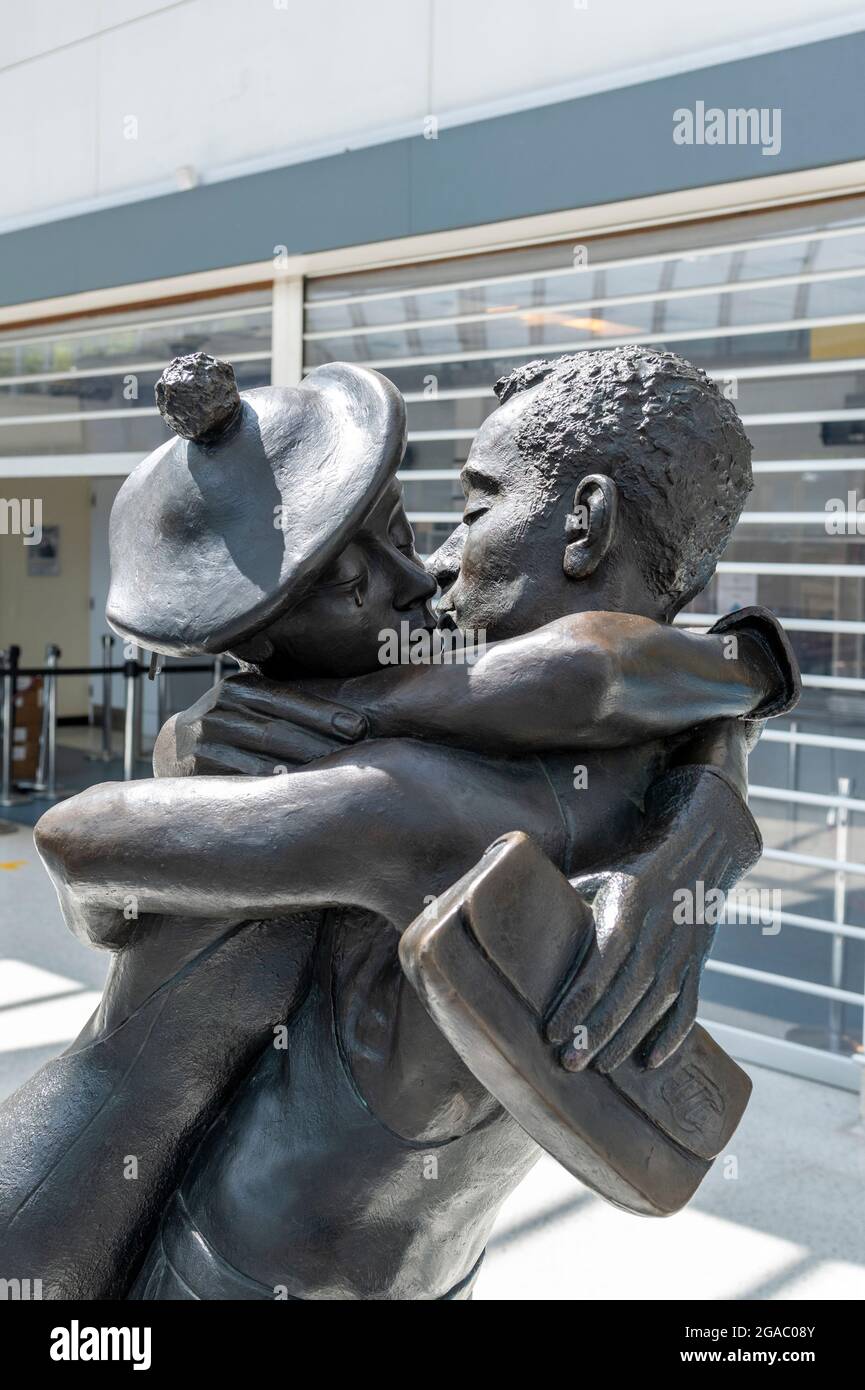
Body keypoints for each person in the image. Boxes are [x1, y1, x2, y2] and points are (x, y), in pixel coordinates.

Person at [7, 348, 796, 1299]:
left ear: (584, 525)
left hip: (228, 1265)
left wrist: (338, 709)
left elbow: (79, 848)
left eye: (470, 510)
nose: (432, 569)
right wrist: (712, 803)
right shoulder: (651, 763)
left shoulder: (409, 791)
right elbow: (645, 677)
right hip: (393, 1266)